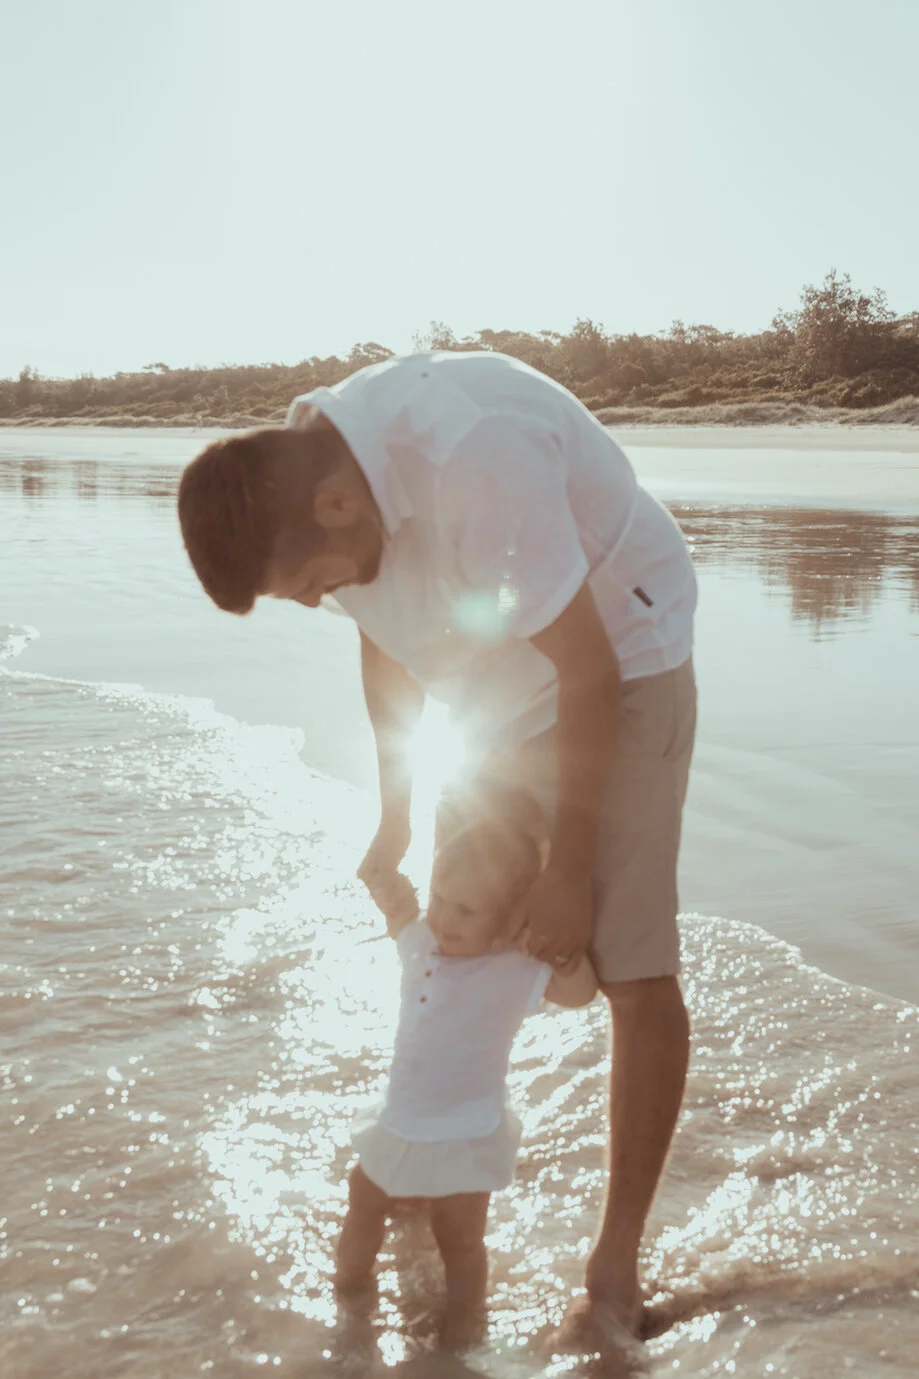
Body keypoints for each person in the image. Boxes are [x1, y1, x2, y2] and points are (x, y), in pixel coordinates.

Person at [177, 349, 698, 1346]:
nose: (314, 599)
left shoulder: (477, 453)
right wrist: (397, 816)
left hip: (618, 653)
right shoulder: (316, 470)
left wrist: (566, 869)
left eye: (306, 584)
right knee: (467, 922)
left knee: (625, 961)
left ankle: (614, 1268)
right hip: (492, 664)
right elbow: (381, 638)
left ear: (336, 506)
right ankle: (431, 1165)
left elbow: (586, 671)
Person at [337, 786, 597, 1348]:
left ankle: (463, 1328)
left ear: (509, 922)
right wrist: (382, 870)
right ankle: (349, 1294)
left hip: (467, 1133)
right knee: (363, 1201)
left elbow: (580, 994)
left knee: (460, 1239)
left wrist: (559, 951)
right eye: (440, 897)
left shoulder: (516, 970)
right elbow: (394, 902)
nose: (444, 917)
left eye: (465, 911)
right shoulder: (419, 941)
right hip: (401, 1121)